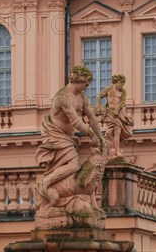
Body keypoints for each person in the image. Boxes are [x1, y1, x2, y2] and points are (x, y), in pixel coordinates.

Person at [35, 65, 105, 206]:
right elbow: (75, 121)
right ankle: (45, 183)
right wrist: (92, 135)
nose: (86, 87)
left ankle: (63, 193)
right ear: (79, 80)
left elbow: (91, 117)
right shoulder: (63, 97)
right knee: (74, 166)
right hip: (55, 134)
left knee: (73, 167)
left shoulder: (81, 96)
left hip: (68, 137)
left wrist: (101, 137)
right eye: (86, 84)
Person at [96, 74, 133, 159]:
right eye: (120, 83)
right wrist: (98, 107)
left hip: (118, 114)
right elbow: (99, 97)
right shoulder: (108, 89)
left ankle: (116, 151)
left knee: (119, 131)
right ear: (116, 82)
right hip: (109, 113)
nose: (121, 85)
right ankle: (114, 150)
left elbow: (122, 102)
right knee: (113, 131)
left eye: (123, 84)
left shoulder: (123, 91)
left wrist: (117, 110)